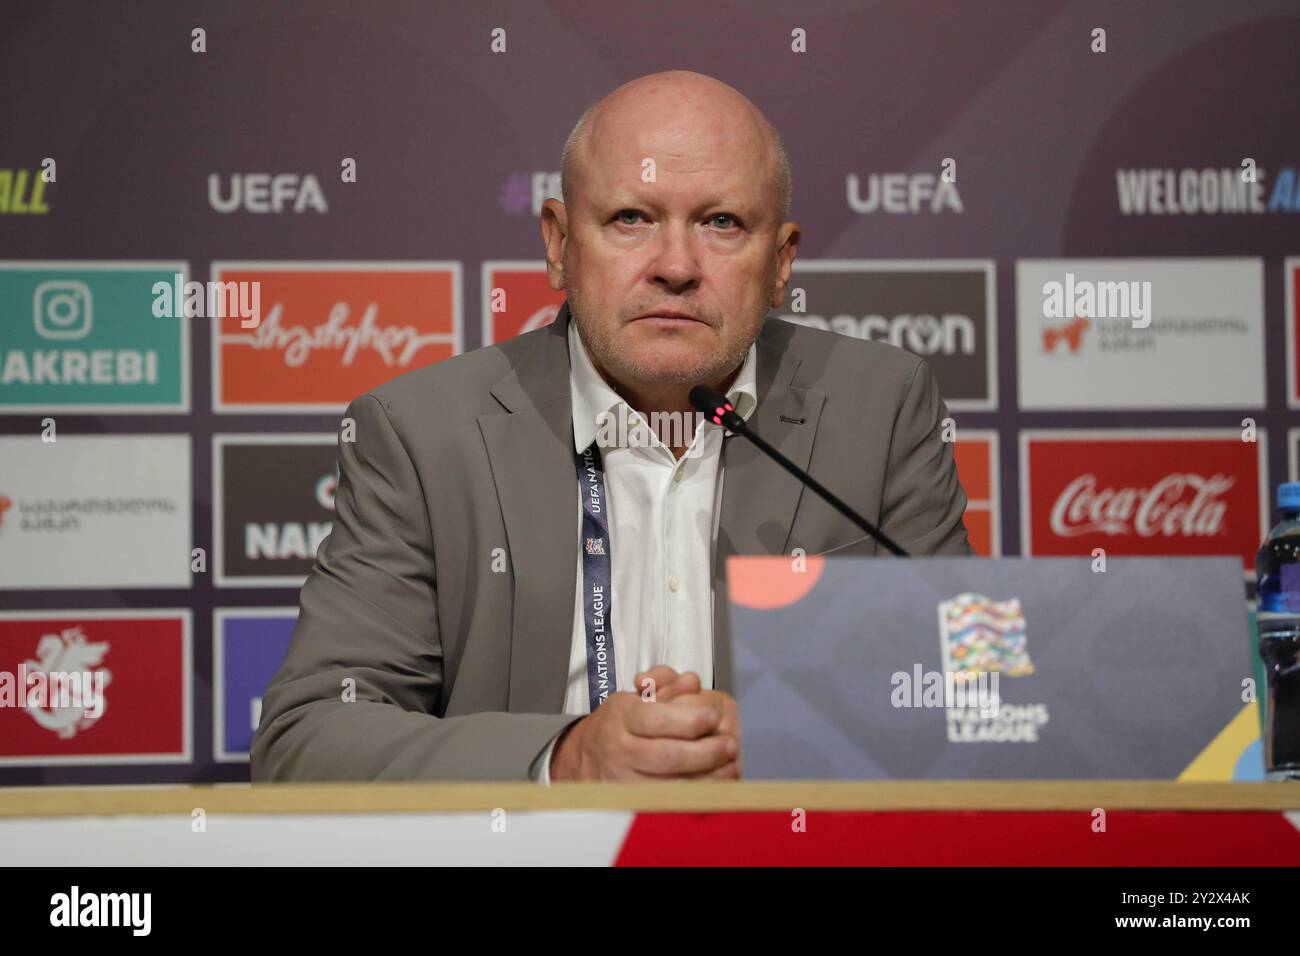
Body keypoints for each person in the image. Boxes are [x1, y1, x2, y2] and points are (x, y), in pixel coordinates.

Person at [251, 70, 972, 785]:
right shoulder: (421, 435)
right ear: (560, 243)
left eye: (722, 223)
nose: (676, 267)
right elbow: (310, 738)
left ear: (781, 262)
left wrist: (794, 747)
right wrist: (566, 760)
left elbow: (968, 701)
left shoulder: (881, 409)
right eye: (632, 218)